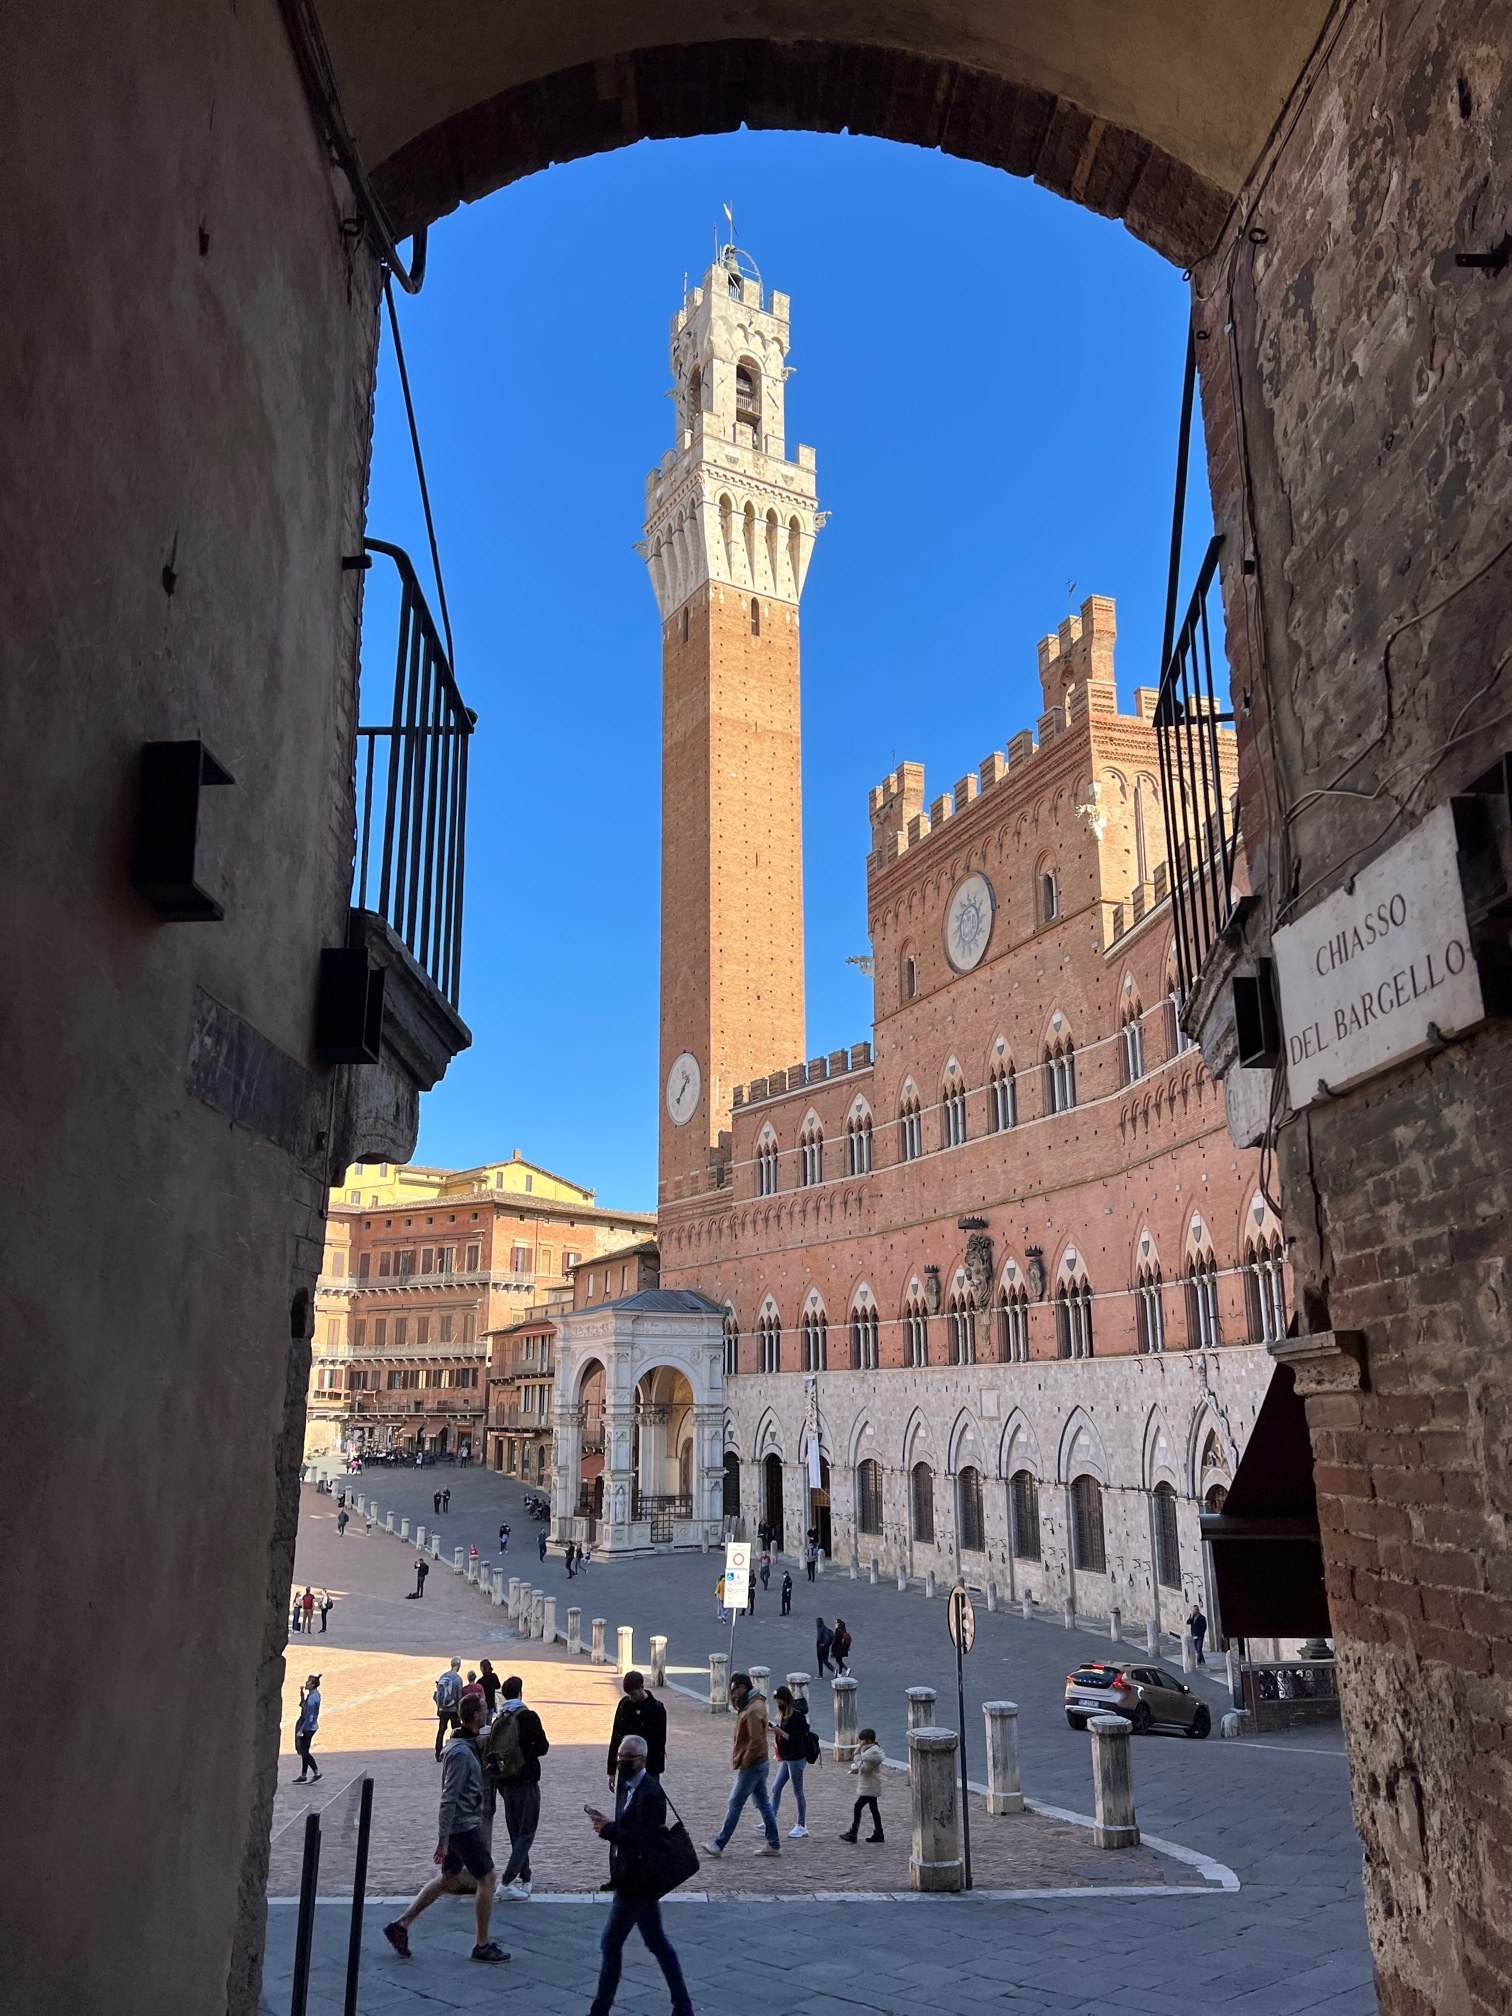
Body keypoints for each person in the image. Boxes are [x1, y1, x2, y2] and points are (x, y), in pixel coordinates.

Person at [383, 1694, 509, 1965]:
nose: (489, 1712)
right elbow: (448, 1797)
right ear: (476, 1715)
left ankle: (401, 1925)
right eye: (485, 1709)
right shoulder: (462, 1752)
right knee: (487, 1878)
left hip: (460, 1825)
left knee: (449, 1878)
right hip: (463, 1827)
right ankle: (482, 1944)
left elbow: (464, 1784)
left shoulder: (464, 1744)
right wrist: (443, 1840)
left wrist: (486, 1771)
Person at [585, 1734, 694, 2016]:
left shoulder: (652, 1793)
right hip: (634, 1876)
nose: (621, 1761)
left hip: (638, 1880)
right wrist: (609, 1825)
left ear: (642, 1760)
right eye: (620, 1756)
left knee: (611, 1942)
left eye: (628, 1758)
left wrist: (608, 1830)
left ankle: (600, 2009)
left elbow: (641, 1841)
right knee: (657, 1941)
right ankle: (683, 2007)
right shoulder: (624, 1785)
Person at [482, 1674, 551, 1899]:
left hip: (505, 1782)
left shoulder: (499, 1718)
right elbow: (543, 1747)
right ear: (521, 1692)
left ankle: (526, 1877)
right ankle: (507, 1881)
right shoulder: (527, 1716)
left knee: (515, 1830)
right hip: (526, 1779)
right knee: (528, 1831)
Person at [702, 1672, 780, 1858]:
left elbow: (755, 1741)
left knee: (735, 1802)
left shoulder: (752, 1710)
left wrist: (744, 1762)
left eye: (735, 1689)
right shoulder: (755, 1703)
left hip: (753, 1764)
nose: (733, 1694)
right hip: (760, 1762)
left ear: (744, 1687)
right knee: (763, 1803)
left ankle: (719, 1844)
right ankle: (774, 1843)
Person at [606, 1670, 668, 1782]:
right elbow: (616, 1737)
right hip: (625, 1766)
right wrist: (611, 1770)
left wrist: (650, 1768)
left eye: (633, 1694)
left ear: (641, 1687)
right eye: (628, 1695)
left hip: (649, 1769)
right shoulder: (624, 1705)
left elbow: (659, 1743)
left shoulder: (657, 1709)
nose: (631, 1698)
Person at [769, 1684, 811, 1839]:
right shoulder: (785, 1714)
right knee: (775, 1787)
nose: (778, 1703)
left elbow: (795, 1738)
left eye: (779, 1700)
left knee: (798, 1791)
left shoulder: (797, 1716)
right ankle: (771, 1818)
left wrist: (780, 1731)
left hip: (796, 1757)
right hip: (787, 1757)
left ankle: (802, 1825)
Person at [841, 1728, 885, 1843]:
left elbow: (864, 1768)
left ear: (868, 1740)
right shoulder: (868, 1752)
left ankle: (853, 1833)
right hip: (871, 1784)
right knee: (874, 1809)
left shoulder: (871, 1754)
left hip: (870, 1786)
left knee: (858, 1807)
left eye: (862, 1740)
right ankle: (879, 1833)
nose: (860, 1742)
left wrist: (856, 1756)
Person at [434, 1656, 463, 1760]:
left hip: (443, 1708)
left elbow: (439, 1694)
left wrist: (438, 1707)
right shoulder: (458, 1679)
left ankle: (438, 1753)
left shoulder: (443, 1676)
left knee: (441, 1730)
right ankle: (456, 1751)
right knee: (456, 1730)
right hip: (453, 1709)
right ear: (458, 1666)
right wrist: (460, 1713)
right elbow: (459, 1697)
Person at [294, 1674, 322, 1783]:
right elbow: (304, 1706)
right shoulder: (312, 1694)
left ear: (313, 1684)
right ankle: (303, 1775)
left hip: (308, 1727)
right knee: (304, 1750)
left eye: (308, 1682)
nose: (306, 1683)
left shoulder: (313, 1697)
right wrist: (302, 1696)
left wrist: (301, 1730)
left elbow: (309, 1716)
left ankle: (317, 1773)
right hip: (309, 1726)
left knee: (304, 1752)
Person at [1188, 1601, 1208, 1666]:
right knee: (1197, 1649)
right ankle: (1203, 1660)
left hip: (1199, 1636)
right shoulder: (1192, 1617)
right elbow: (1188, 1622)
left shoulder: (1202, 1618)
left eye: (1196, 1610)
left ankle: (1198, 1662)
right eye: (1194, 1610)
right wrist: (1191, 1616)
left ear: (1198, 1610)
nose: (1195, 1611)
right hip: (1193, 1635)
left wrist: (1200, 1634)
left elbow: (1204, 1627)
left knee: (1199, 1649)